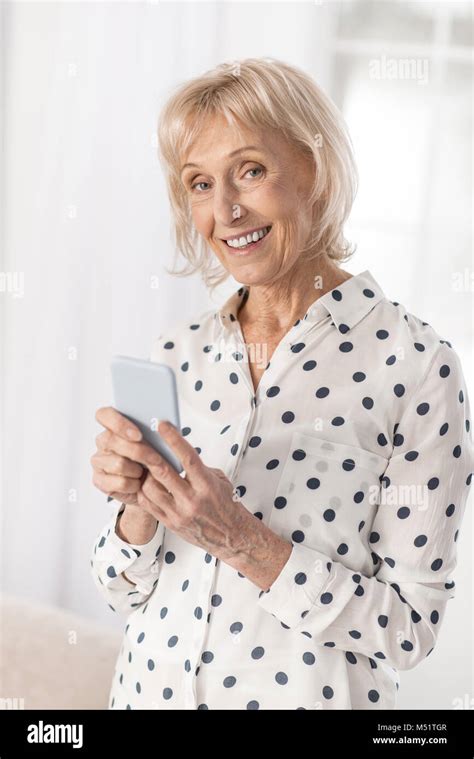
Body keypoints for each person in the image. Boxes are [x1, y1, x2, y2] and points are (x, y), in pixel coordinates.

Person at [89, 58, 473, 710]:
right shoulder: (178, 350)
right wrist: (134, 508)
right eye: (200, 184)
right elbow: (123, 590)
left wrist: (242, 540)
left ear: (315, 172)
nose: (225, 209)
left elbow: (409, 628)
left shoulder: (416, 364)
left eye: (251, 171)